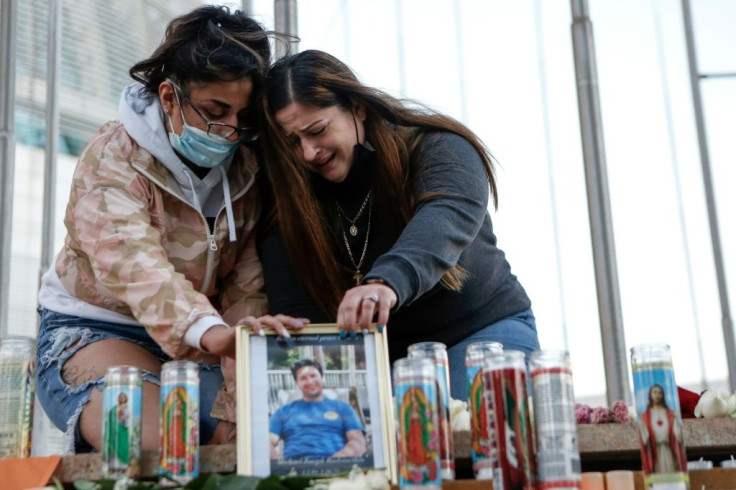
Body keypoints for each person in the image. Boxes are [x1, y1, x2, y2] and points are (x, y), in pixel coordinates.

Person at [35, 5, 306, 454]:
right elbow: (135, 268)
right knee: (152, 444)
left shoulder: (247, 168)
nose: (229, 133)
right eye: (216, 111)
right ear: (168, 97)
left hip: (205, 341)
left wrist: (235, 409)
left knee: (274, 435)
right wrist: (214, 334)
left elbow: (247, 291)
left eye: (243, 117)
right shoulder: (112, 157)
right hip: (97, 331)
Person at [257, 49, 540, 401]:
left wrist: (385, 281)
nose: (308, 152)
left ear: (357, 107)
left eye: (317, 130)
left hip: (478, 335)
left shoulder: (437, 146)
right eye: (293, 143)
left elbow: (446, 214)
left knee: (477, 434)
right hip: (378, 369)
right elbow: (299, 318)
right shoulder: (290, 203)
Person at [269, 359, 366, 460]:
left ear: (322, 377)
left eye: (313, 375)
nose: (310, 381)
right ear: (297, 383)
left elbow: (358, 441)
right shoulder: (284, 411)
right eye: (303, 378)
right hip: (294, 470)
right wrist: (278, 468)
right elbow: (267, 442)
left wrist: (338, 460)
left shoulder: (343, 408)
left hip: (336, 467)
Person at [639, 384, 687, 474]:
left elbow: (677, 435)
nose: (657, 395)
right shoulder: (646, 416)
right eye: (655, 392)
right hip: (655, 451)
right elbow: (645, 437)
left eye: (660, 393)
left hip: (669, 450)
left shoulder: (670, 414)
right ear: (650, 395)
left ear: (663, 395)